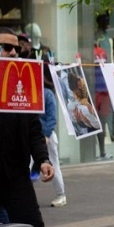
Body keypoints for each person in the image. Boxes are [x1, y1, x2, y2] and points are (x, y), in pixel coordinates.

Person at [0, 27, 75, 227]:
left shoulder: (24, 81)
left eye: (15, 48)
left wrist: (43, 159)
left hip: (16, 173)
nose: (13, 52)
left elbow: (33, 128)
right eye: (6, 48)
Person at [37, 62, 67, 207]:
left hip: (45, 136)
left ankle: (61, 194)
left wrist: (47, 135)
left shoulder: (47, 94)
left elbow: (52, 118)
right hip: (33, 135)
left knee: (53, 164)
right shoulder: (30, 93)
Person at [93, 43, 113, 160]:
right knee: (101, 122)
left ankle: (101, 152)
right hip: (102, 90)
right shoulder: (102, 51)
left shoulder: (98, 51)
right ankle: (102, 152)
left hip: (98, 90)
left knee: (96, 122)